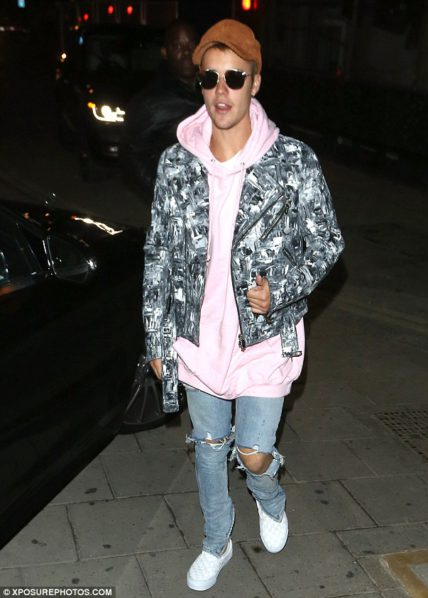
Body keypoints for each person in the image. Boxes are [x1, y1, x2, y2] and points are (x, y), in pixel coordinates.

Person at [143, 19, 345, 592]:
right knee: (209, 448)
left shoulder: (293, 161)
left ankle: (268, 494)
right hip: (198, 336)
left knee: (253, 452)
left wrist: (281, 287)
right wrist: (157, 336)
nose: (221, 90)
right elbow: (158, 253)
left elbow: (327, 241)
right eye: (210, 78)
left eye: (235, 77)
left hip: (264, 335)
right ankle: (217, 541)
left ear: (256, 82)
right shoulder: (176, 163)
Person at [121, 19, 202, 198]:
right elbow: (130, 156)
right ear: (165, 53)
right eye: (177, 46)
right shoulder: (151, 101)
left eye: (192, 45)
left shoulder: (212, 89)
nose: (186, 52)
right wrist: (164, 193)